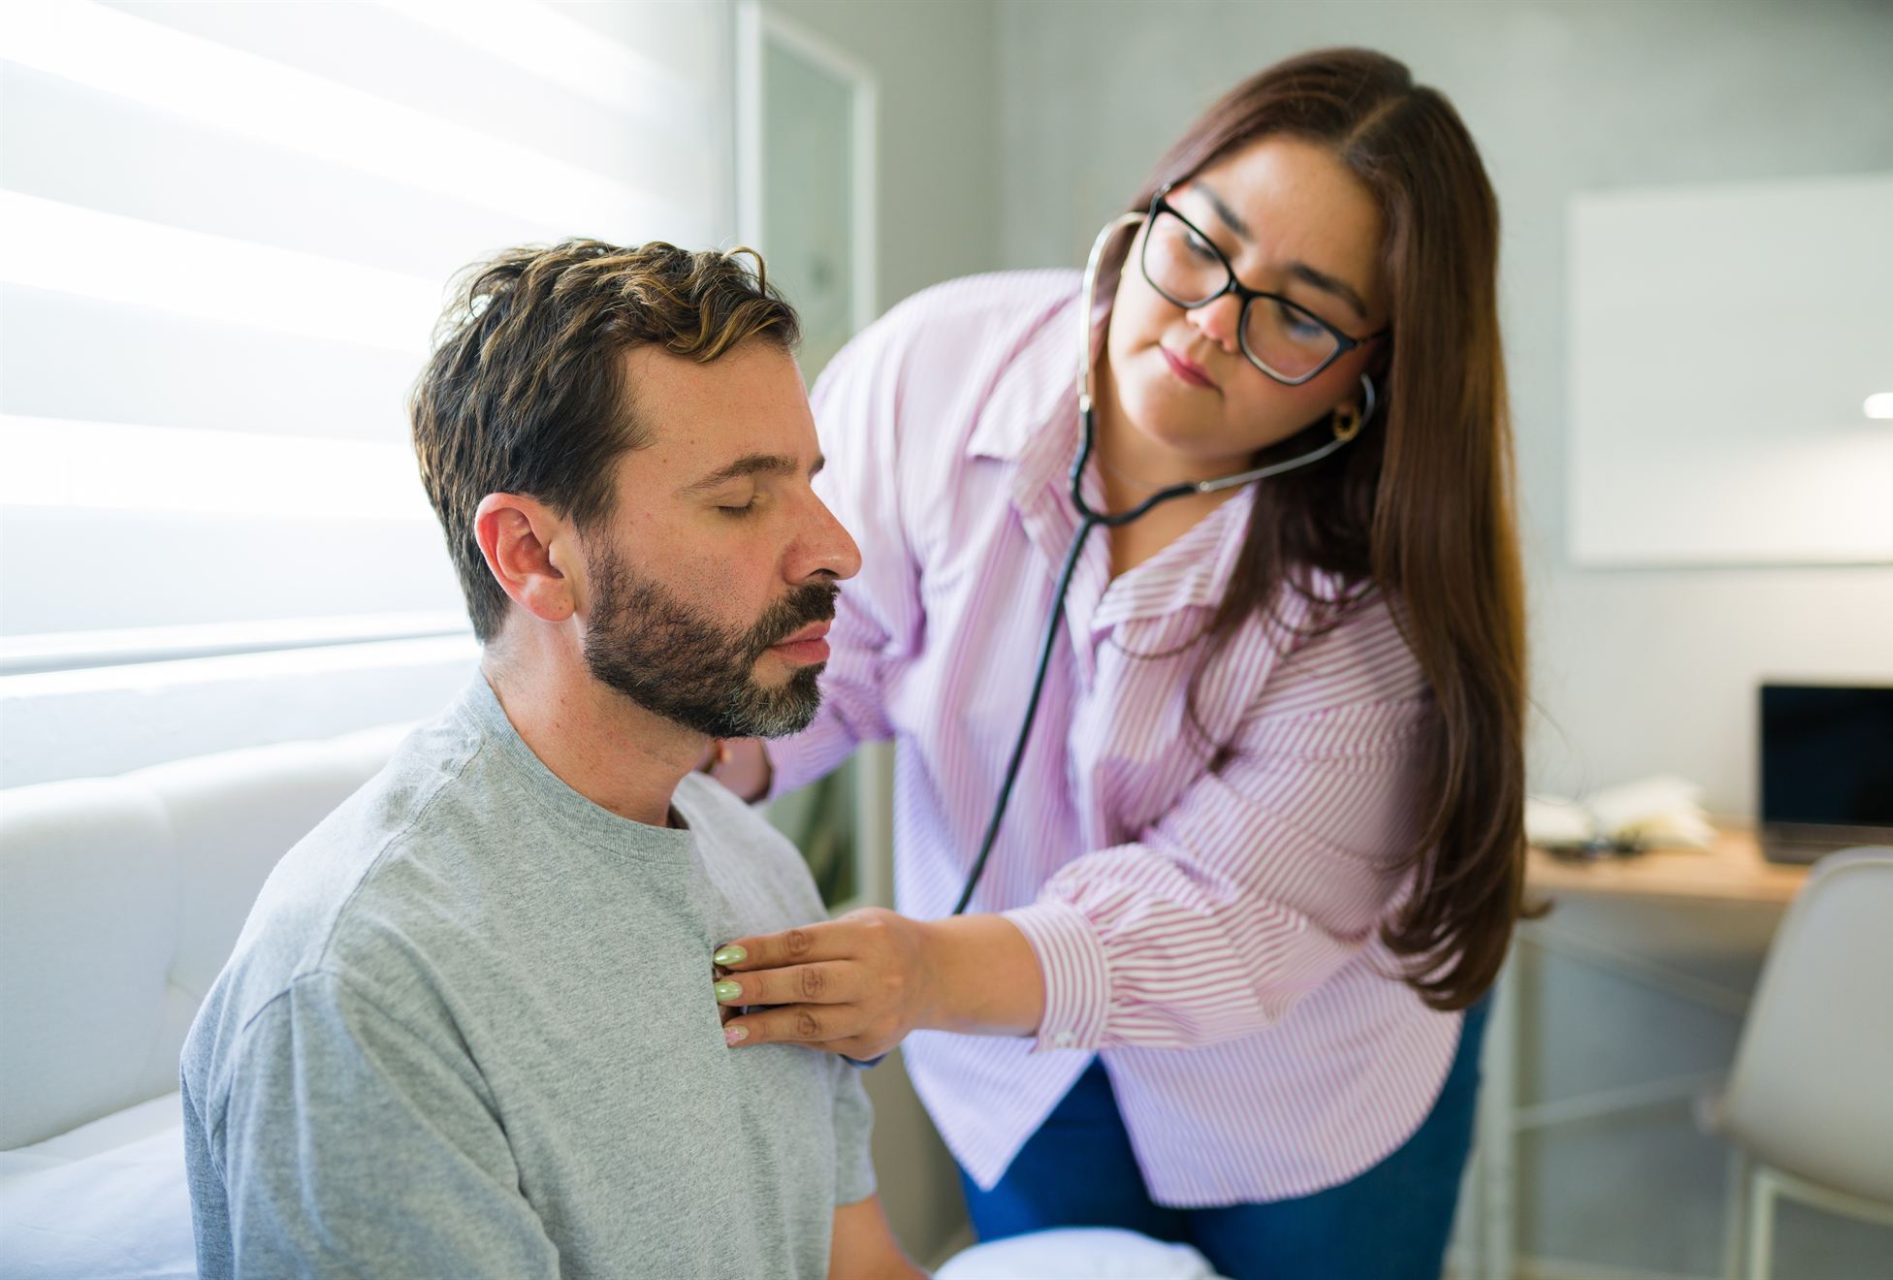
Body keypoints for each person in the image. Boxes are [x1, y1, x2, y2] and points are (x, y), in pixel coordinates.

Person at [704, 48, 1528, 1280]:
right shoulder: (933, 373)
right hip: (1016, 1061)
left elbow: (1225, 914)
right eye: (1201, 242)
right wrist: (696, 754)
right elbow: (835, 648)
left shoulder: (1384, 603)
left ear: (1376, 371)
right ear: (1155, 201)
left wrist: (921, 964)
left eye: (1300, 312)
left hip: (1303, 1080)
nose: (1207, 323)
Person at [179, 240, 921, 1280]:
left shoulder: (760, 871)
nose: (837, 546)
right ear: (533, 555)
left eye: (807, 481)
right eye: (743, 499)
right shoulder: (368, 982)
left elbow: (861, 1264)